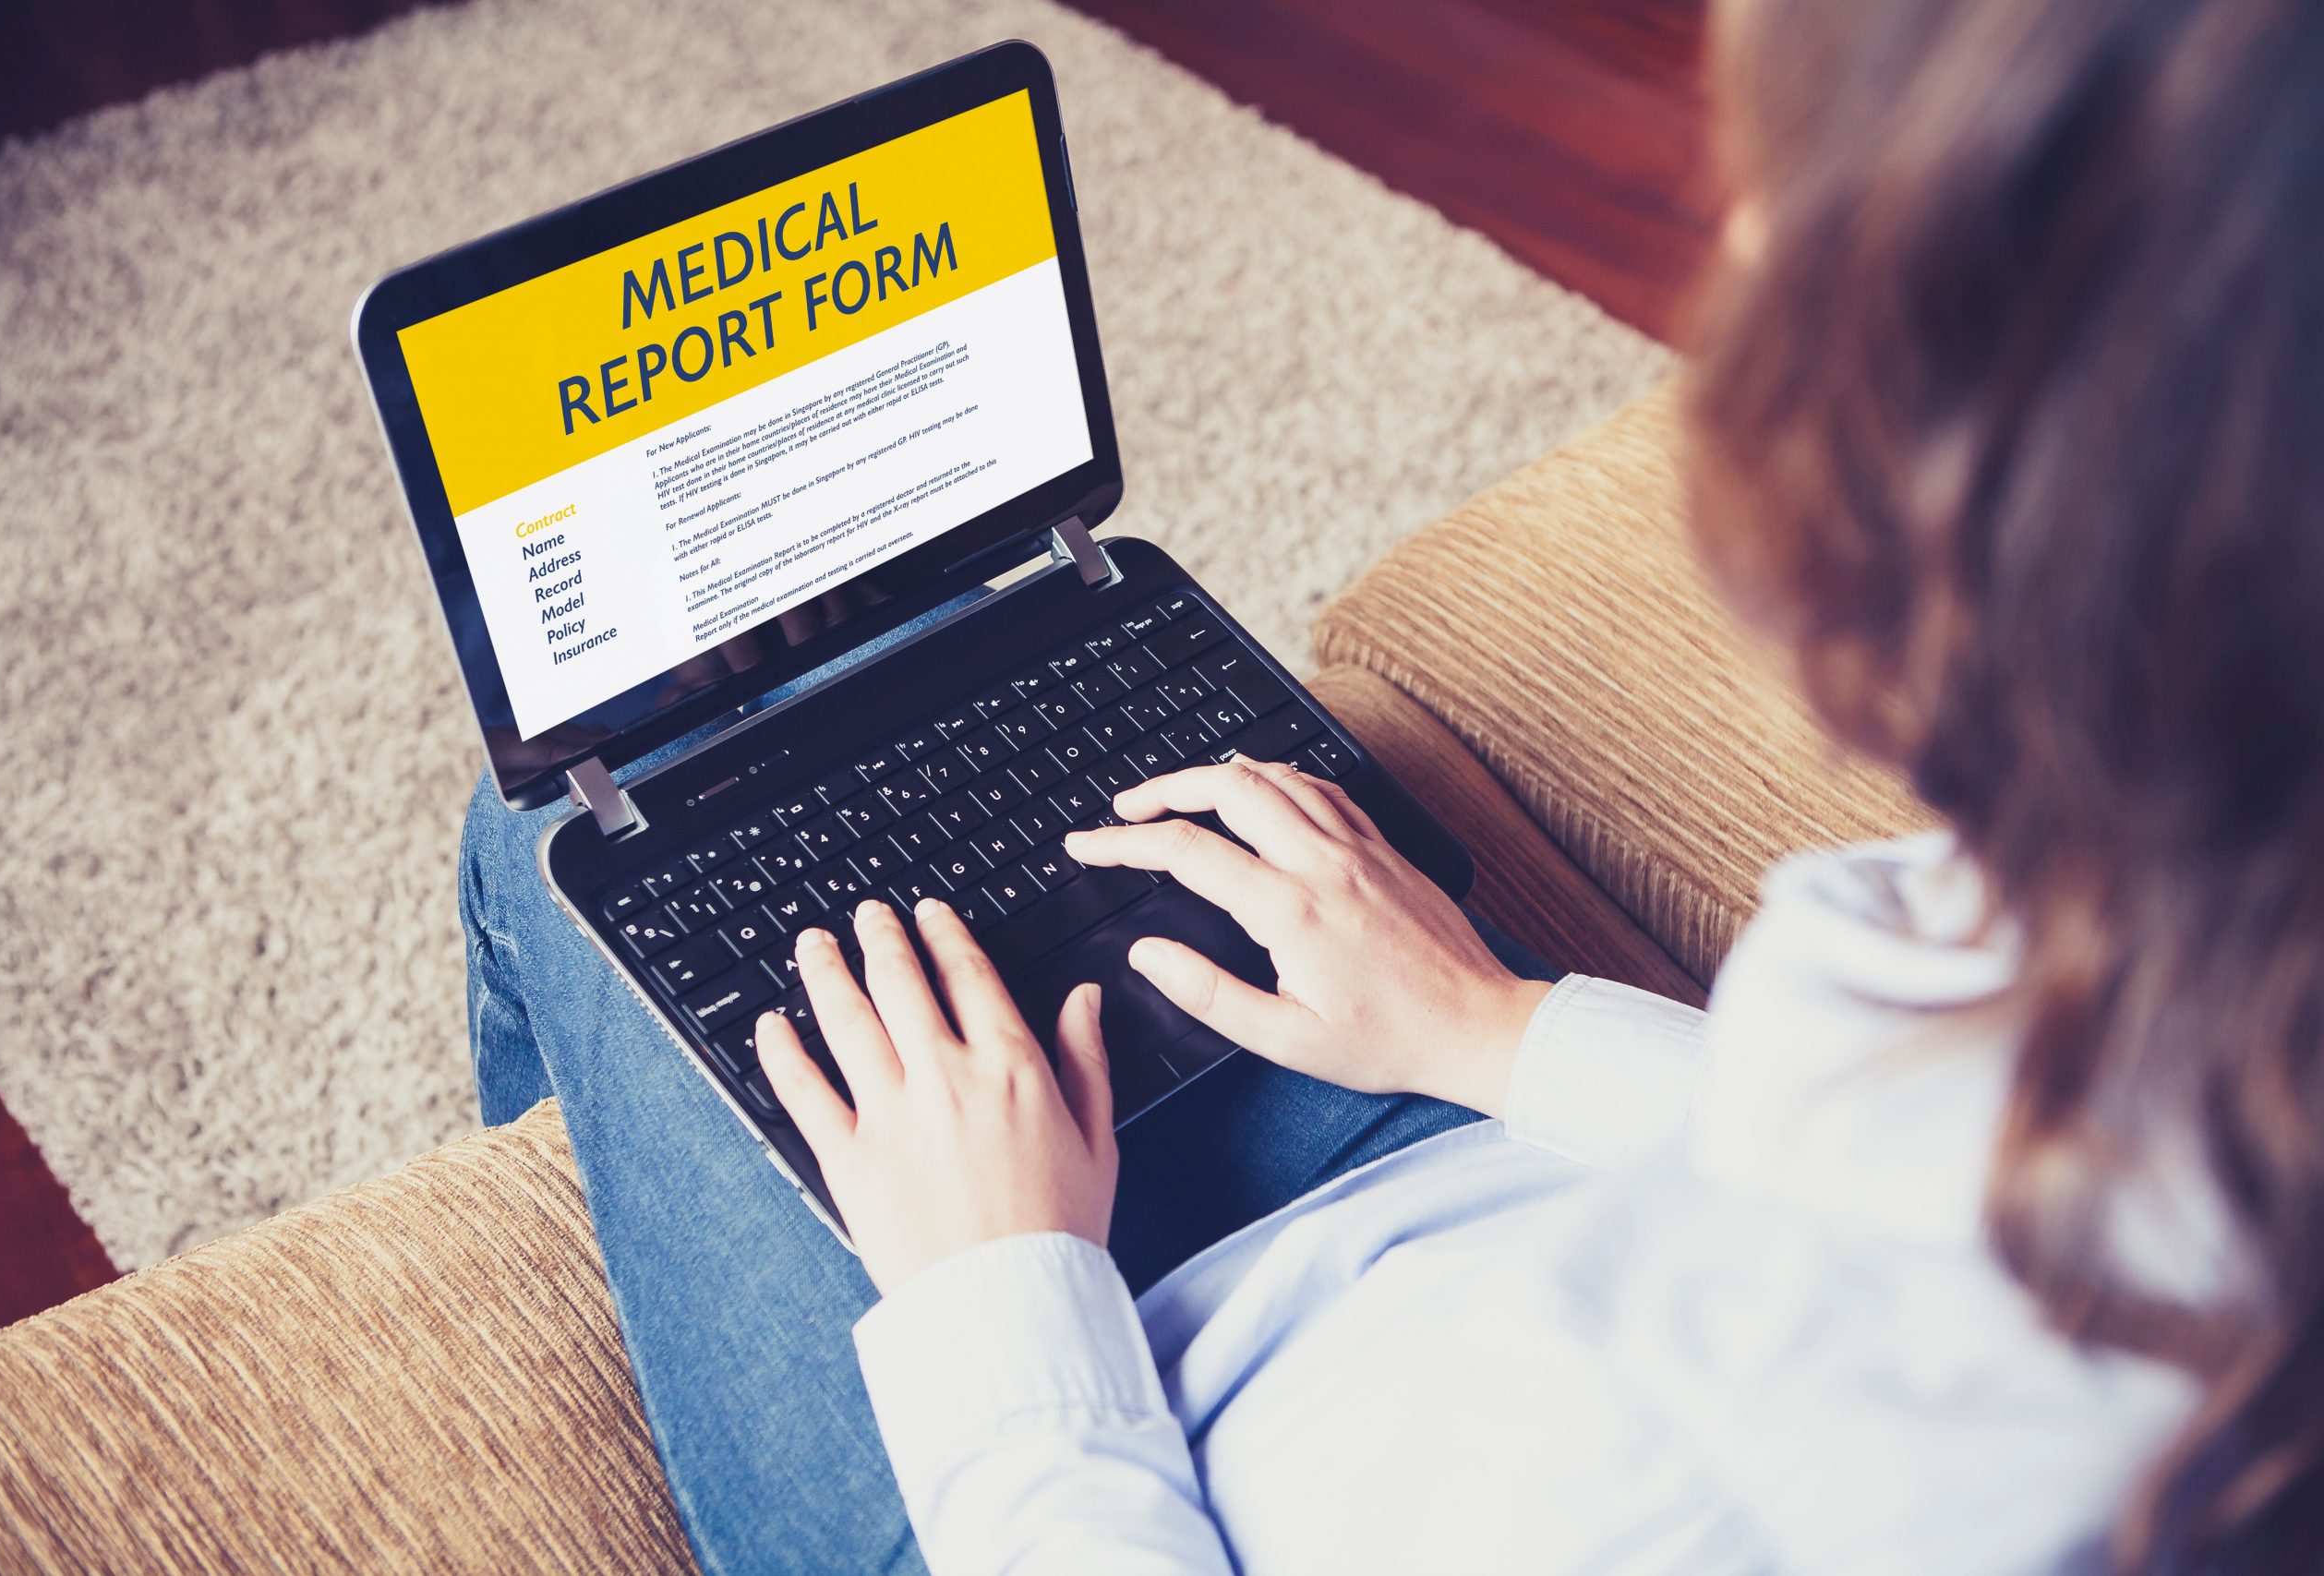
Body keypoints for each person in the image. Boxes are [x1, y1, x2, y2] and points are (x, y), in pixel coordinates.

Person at [457, 0, 2324, 1569]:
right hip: (1453, 1156)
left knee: (557, 826)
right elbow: (1927, 1168)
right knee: (886, 741)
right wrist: (1496, 1032)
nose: (1739, 257)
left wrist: (997, 1283)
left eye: (1794, 229)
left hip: (1065, 1467)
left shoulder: (1879, 1483)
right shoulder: (2214, 959)